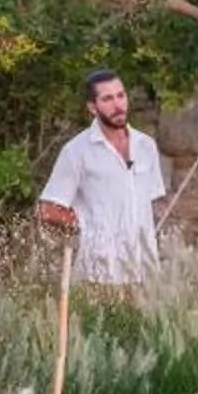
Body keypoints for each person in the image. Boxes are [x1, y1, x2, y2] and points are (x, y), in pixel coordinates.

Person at [37, 69, 168, 286]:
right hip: (98, 275)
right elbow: (48, 209)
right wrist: (88, 227)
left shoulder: (146, 146)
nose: (118, 105)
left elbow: (151, 202)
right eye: (107, 99)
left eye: (120, 96)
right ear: (92, 107)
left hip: (145, 274)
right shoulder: (76, 151)